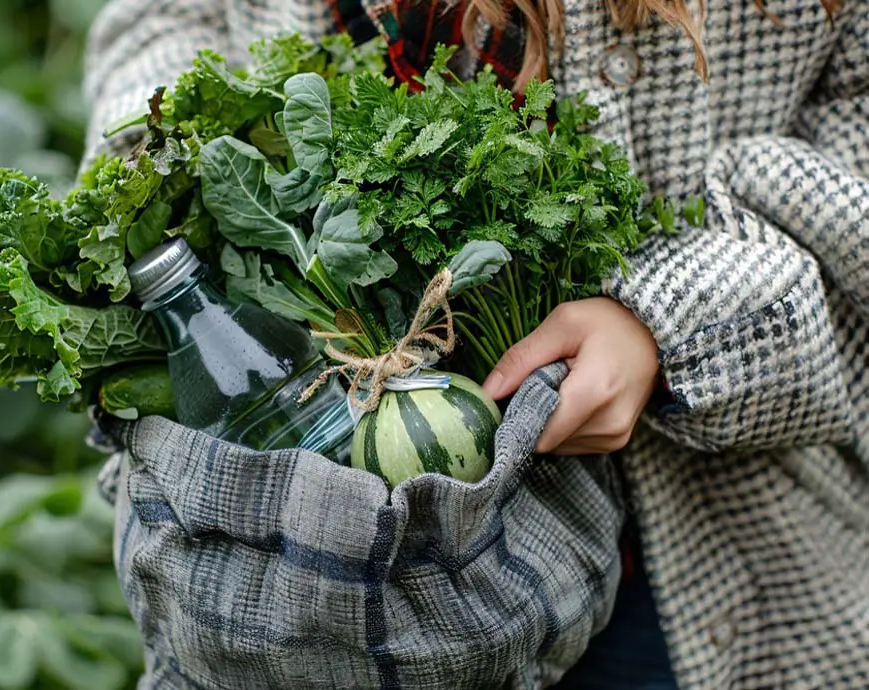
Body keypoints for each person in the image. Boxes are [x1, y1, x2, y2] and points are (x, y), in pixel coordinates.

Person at [82, 1, 869, 687]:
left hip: (697, 553)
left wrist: (669, 317)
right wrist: (156, 178)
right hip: (309, 579)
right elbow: (165, 17)